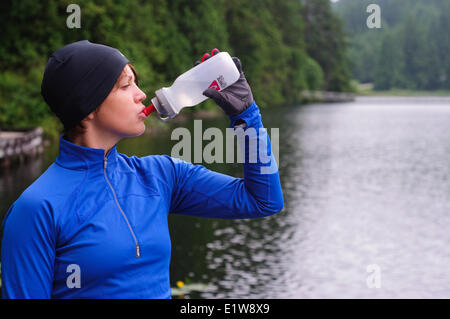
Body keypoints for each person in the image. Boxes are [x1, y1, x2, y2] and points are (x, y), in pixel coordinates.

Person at [1, 40, 284, 299]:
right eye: (126, 86)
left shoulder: (161, 176)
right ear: (87, 105)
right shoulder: (36, 209)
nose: (141, 94)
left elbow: (262, 200)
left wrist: (246, 117)